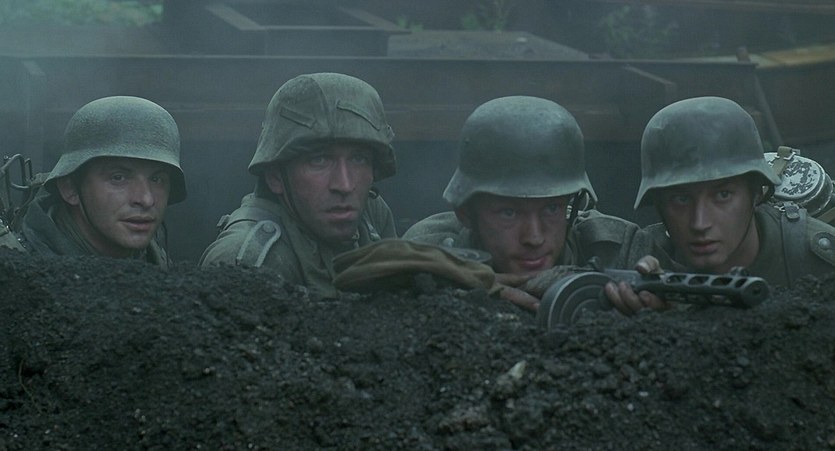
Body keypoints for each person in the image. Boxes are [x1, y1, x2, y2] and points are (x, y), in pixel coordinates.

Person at [402, 96, 665, 311]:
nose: (534, 238)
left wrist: (661, 306)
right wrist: (453, 291)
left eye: (551, 208)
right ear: (466, 213)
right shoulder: (426, 253)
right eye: (509, 213)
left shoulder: (619, 250)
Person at [607, 96, 835, 315]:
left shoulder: (817, 260)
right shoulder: (639, 260)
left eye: (723, 195)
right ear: (658, 205)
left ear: (757, 192)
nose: (700, 223)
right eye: (681, 199)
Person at [199, 73, 397, 299]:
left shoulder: (371, 215)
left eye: (359, 159)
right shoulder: (248, 264)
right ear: (275, 177)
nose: (344, 185)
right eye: (319, 160)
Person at [19, 96, 186, 268]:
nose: (146, 199)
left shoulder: (158, 264)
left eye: (156, 179)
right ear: (70, 188)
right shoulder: (17, 274)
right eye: (118, 177)